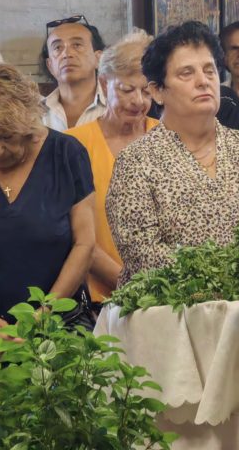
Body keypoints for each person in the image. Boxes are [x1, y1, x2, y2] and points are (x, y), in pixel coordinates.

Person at [107, 22, 239, 283]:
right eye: (186, 73)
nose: (203, 81)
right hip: (172, 313)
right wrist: (226, 280)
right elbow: (144, 256)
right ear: (157, 91)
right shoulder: (136, 163)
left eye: (209, 71)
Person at [66, 31, 159, 301]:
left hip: (163, 298)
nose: (139, 101)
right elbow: (79, 236)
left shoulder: (168, 139)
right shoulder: (73, 145)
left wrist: (156, 292)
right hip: (94, 299)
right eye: (127, 89)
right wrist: (132, 289)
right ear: (105, 84)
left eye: (147, 91)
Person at [0, 64, 95, 325]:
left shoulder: (66, 153)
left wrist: (43, 315)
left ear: (28, 124)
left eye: (6, 137)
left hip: (60, 321)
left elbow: (84, 244)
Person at [39, 14, 107, 131]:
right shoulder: (36, 114)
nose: (66, 54)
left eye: (77, 45)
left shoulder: (116, 107)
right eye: (57, 48)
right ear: (50, 66)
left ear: (98, 58)